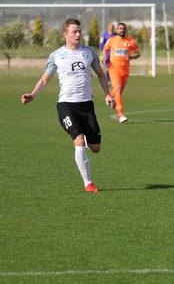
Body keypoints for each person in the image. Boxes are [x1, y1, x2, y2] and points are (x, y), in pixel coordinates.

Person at [20, 18, 115, 193]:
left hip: (86, 106)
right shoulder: (57, 56)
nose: (78, 34)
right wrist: (32, 95)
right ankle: (88, 183)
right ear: (65, 35)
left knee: (95, 148)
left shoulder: (89, 53)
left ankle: (86, 140)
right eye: (74, 32)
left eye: (79, 31)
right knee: (78, 141)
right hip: (66, 106)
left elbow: (101, 75)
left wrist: (107, 94)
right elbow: (44, 80)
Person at [102, 22, 140, 123]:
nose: (121, 30)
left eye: (123, 28)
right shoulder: (112, 40)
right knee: (118, 90)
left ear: (125, 30)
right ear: (117, 30)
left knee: (118, 91)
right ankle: (120, 114)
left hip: (125, 71)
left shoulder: (131, 41)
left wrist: (131, 57)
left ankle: (109, 96)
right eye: (119, 28)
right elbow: (105, 49)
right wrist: (104, 58)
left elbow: (137, 54)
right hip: (114, 69)